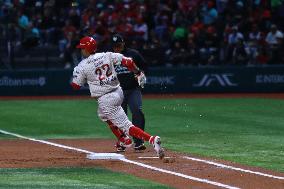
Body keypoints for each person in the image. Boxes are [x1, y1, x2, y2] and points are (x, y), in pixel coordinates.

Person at [71, 36, 165, 159]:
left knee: (126, 126)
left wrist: (76, 74)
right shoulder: (107, 55)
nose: (81, 51)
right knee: (102, 115)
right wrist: (138, 72)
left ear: (87, 49)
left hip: (106, 99)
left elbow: (76, 86)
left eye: (82, 48)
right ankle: (124, 140)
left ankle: (152, 140)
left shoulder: (82, 66)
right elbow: (129, 62)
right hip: (118, 91)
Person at [110, 34, 147, 152]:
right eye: (115, 46)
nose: (117, 48)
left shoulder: (133, 54)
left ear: (123, 43)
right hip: (117, 91)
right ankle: (123, 141)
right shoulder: (109, 57)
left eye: (119, 45)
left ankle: (138, 141)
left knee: (137, 111)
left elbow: (144, 66)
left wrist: (141, 74)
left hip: (133, 89)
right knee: (119, 116)